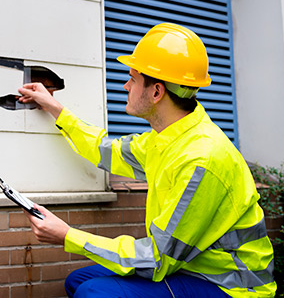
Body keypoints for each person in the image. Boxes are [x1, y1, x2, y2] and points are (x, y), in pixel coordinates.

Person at [17, 23, 276, 297]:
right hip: (189, 267)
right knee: (78, 280)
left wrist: (68, 236)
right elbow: (106, 151)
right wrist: (55, 108)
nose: (126, 85)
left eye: (133, 78)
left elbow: (157, 259)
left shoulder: (202, 159)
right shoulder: (166, 139)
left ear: (156, 92)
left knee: (94, 293)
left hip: (233, 287)